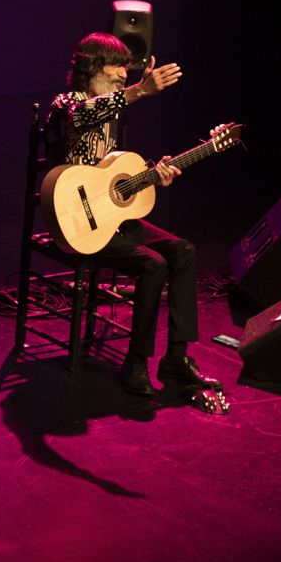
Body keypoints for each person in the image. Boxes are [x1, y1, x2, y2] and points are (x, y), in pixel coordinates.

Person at [45, 32, 219, 395]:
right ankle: (136, 363)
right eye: (117, 66)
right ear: (93, 65)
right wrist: (139, 91)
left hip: (109, 220)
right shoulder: (66, 103)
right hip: (73, 223)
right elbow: (83, 115)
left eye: (127, 68)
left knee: (183, 250)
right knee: (152, 264)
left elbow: (110, 179)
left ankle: (176, 356)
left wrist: (154, 175)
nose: (125, 73)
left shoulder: (116, 113)